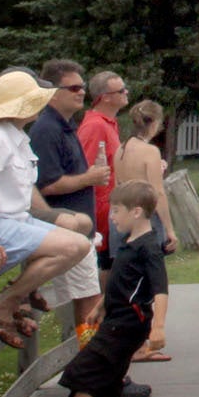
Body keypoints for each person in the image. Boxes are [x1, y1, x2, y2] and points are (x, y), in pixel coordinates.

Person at [0, 69, 95, 350]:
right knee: (73, 247)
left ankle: (20, 296)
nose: (39, 105)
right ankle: (4, 304)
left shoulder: (11, 132)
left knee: (78, 238)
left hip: (6, 220)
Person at [45, 180, 166, 397]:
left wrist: (158, 327)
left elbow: (160, 289)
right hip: (115, 319)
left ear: (136, 212)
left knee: (81, 371)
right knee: (109, 385)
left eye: (116, 211)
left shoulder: (149, 248)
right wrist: (101, 306)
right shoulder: (129, 243)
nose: (111, 217)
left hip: (128, 324)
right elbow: (119, 283)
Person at [28, 60, 108, 348]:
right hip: (67, 231)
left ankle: (93, 368)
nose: (81, 92)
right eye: (73, 87)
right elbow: (47, 184)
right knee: (89, 303)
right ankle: (95, 371)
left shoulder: (65, 126)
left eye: (82, 86)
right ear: (52, 92)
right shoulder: (46, 129)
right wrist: (90, 178)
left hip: (80, 231)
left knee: (90, 299)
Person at [115, 100, 177, 362]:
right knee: (150, 281)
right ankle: (142, 344)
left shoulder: (121, 148)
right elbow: (157, 192)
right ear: (153, 123)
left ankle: (131, 342)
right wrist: (171, 230)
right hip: (145, 220)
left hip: (122, 217)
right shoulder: (149, 151)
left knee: (130, 282)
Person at [76, 70, 128, 272]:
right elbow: (86, 171)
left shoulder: (109, 124)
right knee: (106, 268)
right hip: (102, 211)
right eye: (121, 90)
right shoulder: (95, 126)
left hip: (112, 208)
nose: (126, 93)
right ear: (105, 97)